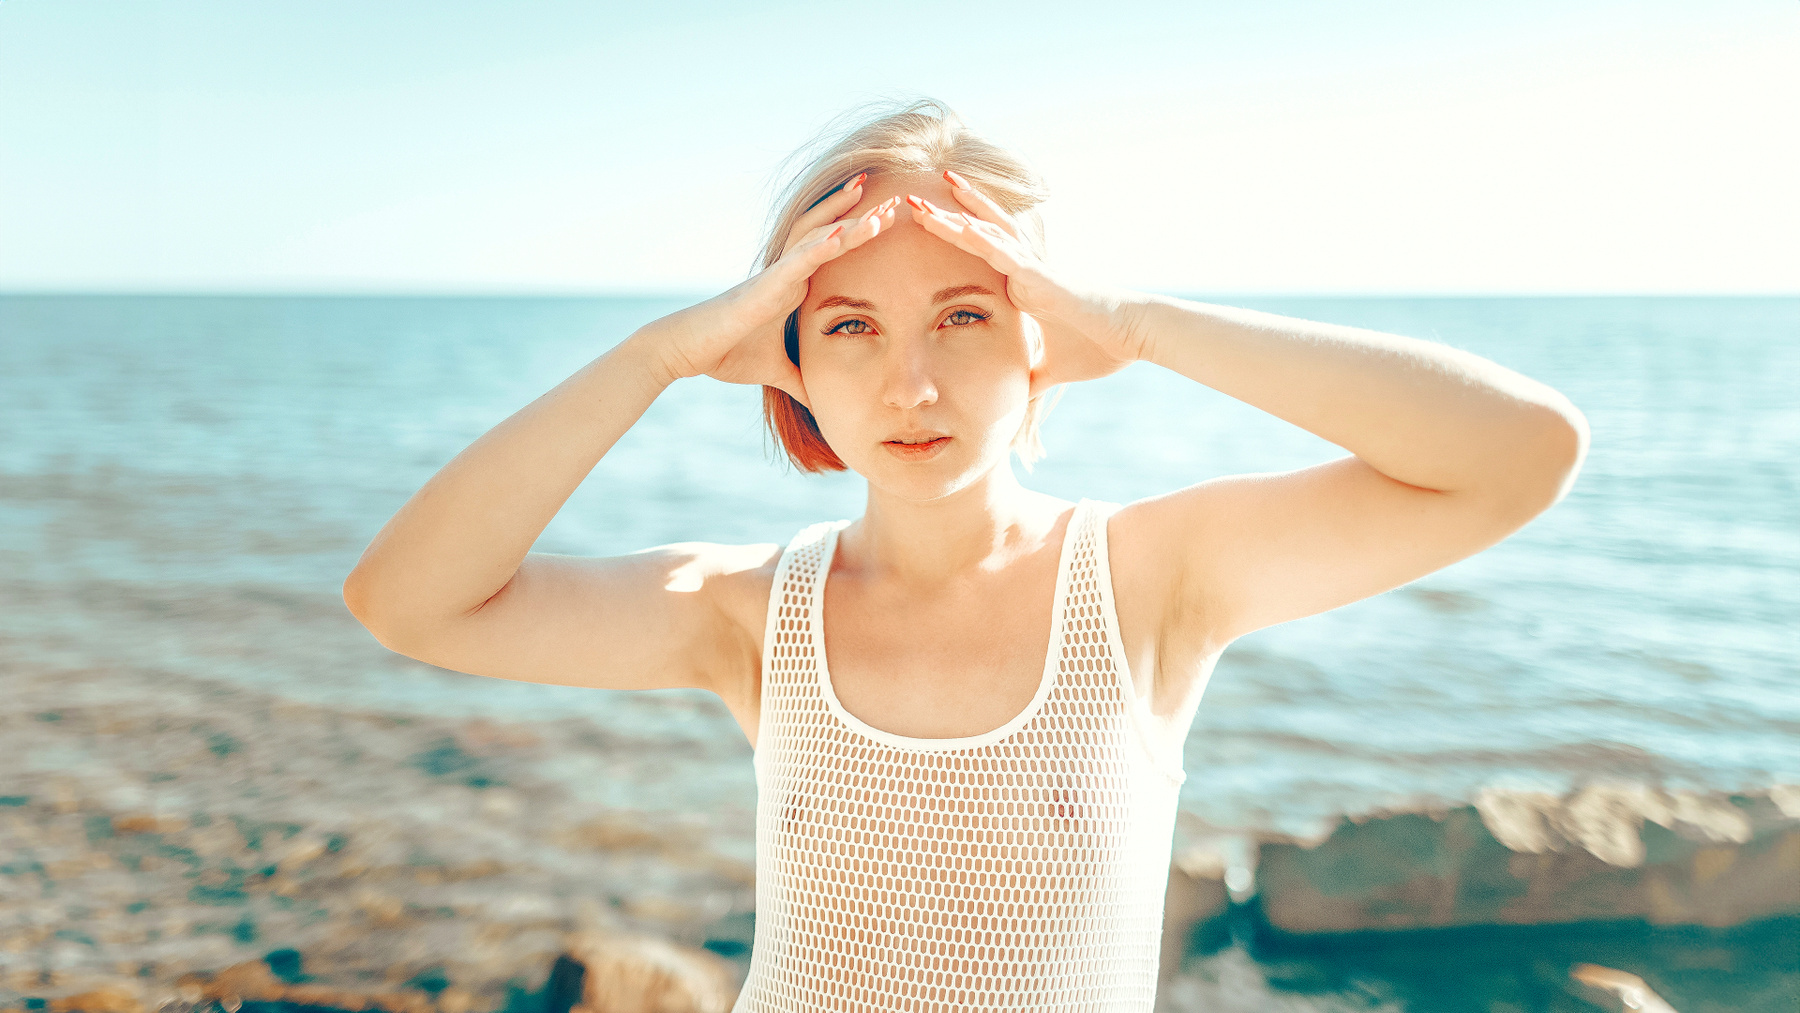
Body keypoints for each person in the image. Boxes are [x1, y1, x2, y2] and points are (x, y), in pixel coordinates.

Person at [342, 99, 1589, 1011]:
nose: (912, 379)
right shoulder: (744, 612)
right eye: (850, 325)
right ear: (790, 361)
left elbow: (1518, 451)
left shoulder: (1152, 577)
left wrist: (1142, 325)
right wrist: (659, 355)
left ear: (1038, 331)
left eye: (965, 314)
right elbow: (407, 602)